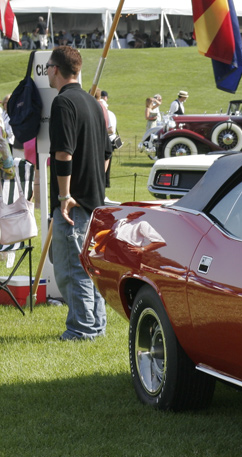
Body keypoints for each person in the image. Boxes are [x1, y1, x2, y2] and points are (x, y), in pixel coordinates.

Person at [47, 46, 112, 341]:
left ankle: (82, 329)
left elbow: (63, 153)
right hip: (94, 200)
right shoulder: (93, 102)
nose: (47, 72)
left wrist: (65, 195)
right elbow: (107, 152)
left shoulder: (63, 103)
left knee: (72, 268)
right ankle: (95, 324)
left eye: (48, 67)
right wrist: (96, 181)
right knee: (89, 266)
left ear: (56, 69)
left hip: (74, 203)